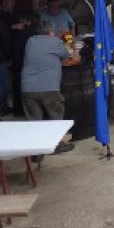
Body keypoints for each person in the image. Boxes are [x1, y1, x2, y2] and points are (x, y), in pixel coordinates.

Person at [21, 22, 74, 159]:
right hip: (49, 88)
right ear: (51, 32)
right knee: (55, 118)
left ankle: (36, 153)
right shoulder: (55, 42)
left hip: (28, 88)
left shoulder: (30, 41)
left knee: (34, 122)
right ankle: (56, 146)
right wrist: (66, 44)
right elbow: (67, 55)